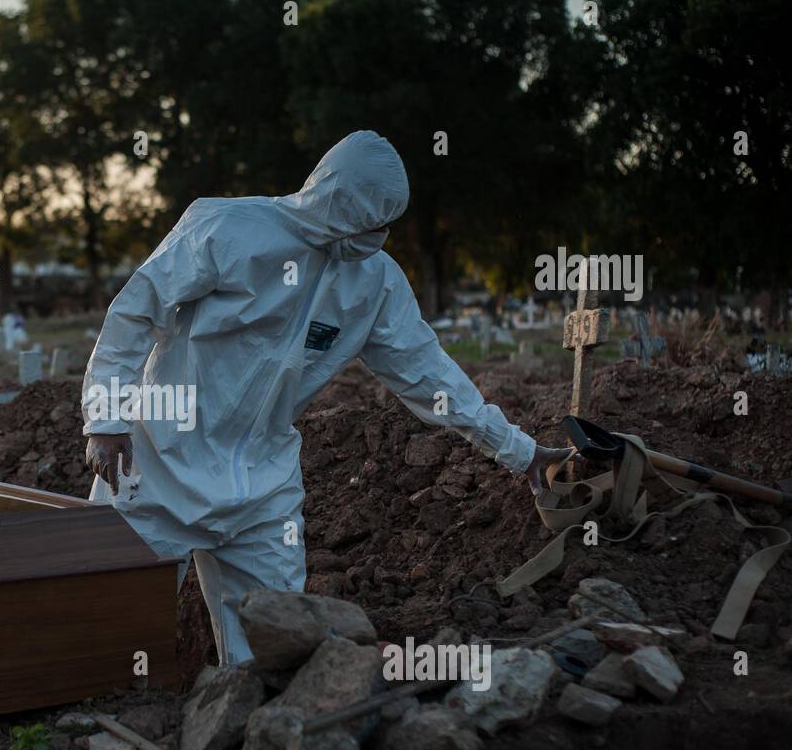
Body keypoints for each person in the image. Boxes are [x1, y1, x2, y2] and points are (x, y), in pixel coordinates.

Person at [81, 130, 567, 665]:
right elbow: (134, 312)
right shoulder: (227, 229)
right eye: (366, 221)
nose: (376, 236)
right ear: (335, 199)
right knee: (109, 638)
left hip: (262, 493)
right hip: (157, 469)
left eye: (384, 225)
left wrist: (520, 451)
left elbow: (432, 377)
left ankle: (250, 736)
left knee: (272, 651)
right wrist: (106, 418)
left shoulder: (374, 283)